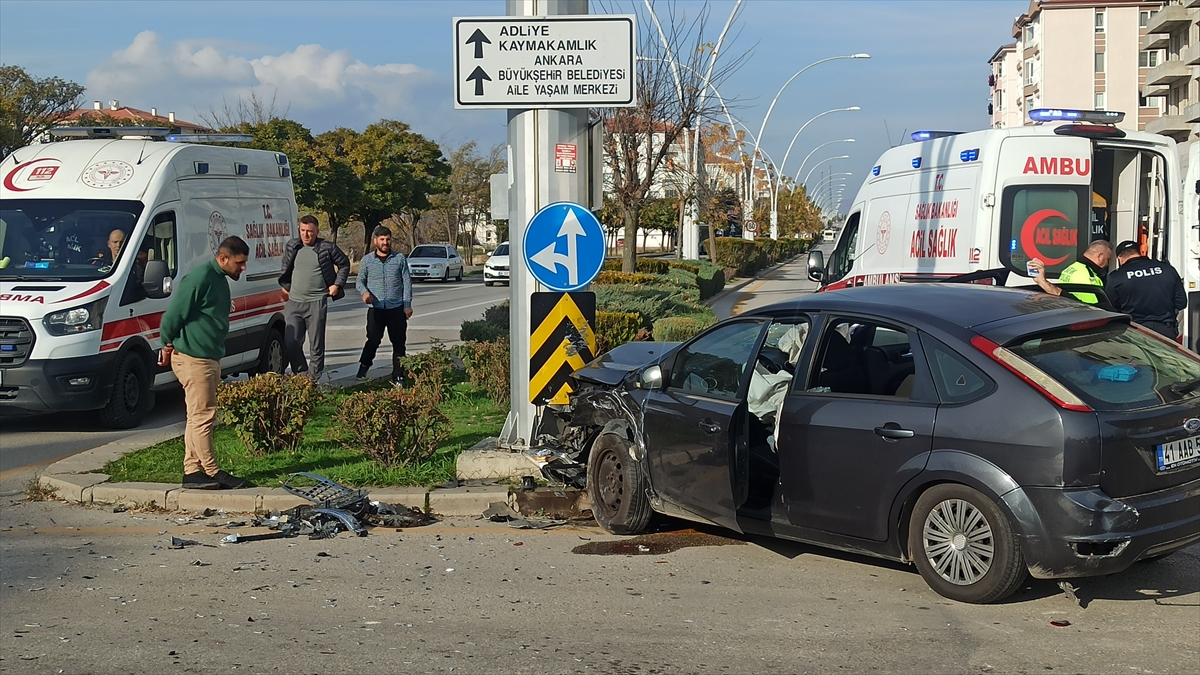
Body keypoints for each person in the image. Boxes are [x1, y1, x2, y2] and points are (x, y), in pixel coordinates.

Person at [158, 236, 251, 490]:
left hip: (207, 357)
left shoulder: (219, 279)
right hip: (194, 359)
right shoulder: (200, 278)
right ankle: (211, 472)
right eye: (239, 263)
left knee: (195, 417)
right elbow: (173, 316)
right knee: (204, 416)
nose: (243, 268)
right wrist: (167, 344)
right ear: (223, 258)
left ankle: (192, 472)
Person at [278, 215, 350, 377]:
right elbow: (286, 266)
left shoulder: (326, 247)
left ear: (317, 231)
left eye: (310, 231)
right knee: (291, 342)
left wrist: (336, 285)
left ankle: (313, 379)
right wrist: (286, 286)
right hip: (294, 302)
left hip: (316, 302)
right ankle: (302, 374)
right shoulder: (293, 246)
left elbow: (344, 264)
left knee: (316, 345)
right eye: (302, 230)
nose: (306, 235)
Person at [355, 226, 412, 384]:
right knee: (373, 339)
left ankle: (399, 375)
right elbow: (360, 281)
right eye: (382, 239)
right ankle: (365, 365)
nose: (385, 242)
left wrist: (407, 305)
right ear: (375, 241)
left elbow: (406, 283)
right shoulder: (367, 260)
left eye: (387, 239)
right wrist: (364, 293)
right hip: (376, 309)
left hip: (396, 308)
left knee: (399, 342)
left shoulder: (399, 259)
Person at [1106, 240, 1187, 339]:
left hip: (1134, 331)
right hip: (1166, 329)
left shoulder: (1116, 276)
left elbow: (1111, 306)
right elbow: (1181, 303)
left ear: (1119, 258)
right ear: (1139, 252)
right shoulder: (1168, 269)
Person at [1029, 239, 1113, 305]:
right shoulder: (1086, 276)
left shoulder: (1072, 267)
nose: (1107, 264)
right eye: (1107, 259)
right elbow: (1092, 307)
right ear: (1100, 256)